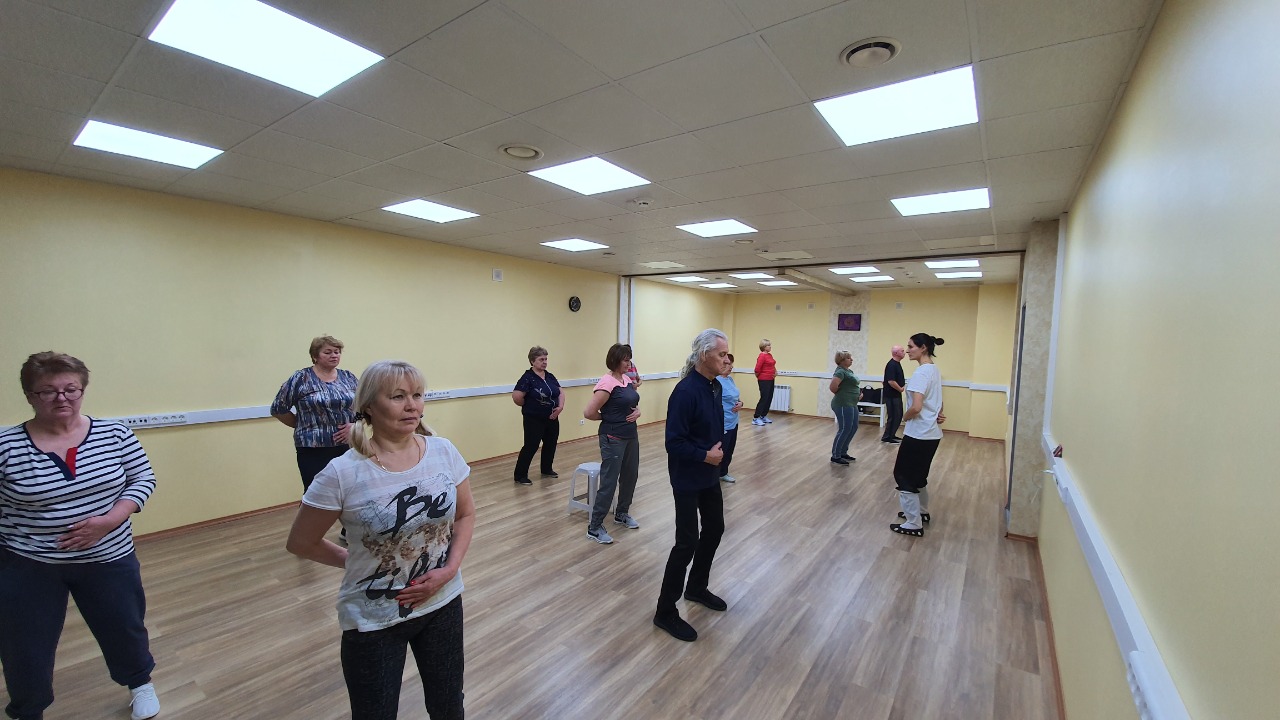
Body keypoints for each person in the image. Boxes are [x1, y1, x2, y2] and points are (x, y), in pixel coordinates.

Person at [286, 360, 475, 720]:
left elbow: (465, 515)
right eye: (398, 396)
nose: (412, 405)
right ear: (369, 405)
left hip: (442, 602)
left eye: (417, 395)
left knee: (449, 705)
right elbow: (301, 542)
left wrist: (450, 569)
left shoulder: (443, 451)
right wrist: (358, 562)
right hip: (374, 618)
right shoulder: (342, 473)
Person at [0, 352, 160, 720]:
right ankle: (28, 710)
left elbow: (143, 478)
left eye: (71, 389)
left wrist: (109, 521)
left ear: (82, 390)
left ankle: (139, 683)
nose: (62, 398)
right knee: (25, 644)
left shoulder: (114, 433)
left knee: (123, 626)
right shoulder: (6, 445)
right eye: (48, 391)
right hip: (29, 563)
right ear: (29, 396)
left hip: (109, 557)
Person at [654, 329, 730, 642]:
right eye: (721, 354)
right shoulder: (685, 392)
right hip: (687, 477)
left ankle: (696, 587)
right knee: (686, 542)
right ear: (704, 355)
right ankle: (664, 611)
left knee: (715, 529)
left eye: (726, 354)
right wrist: (705, 455)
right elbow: (673, 443)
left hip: (708, 475)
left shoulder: (715, 387)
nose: (726, 360)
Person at [271, 335, 358, 490]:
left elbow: (365, 406)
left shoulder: (348, 377)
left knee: (348, 491)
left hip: (346, 446)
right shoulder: (301, 378)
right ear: (315, 356)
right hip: (312, 447)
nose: (334, 355)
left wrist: (355, 425)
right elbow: (278, 409)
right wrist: (302, 424)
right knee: (317, 492)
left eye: (337, 352)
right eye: (328, 352)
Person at [582, 344, 642, 544]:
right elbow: (589, 412)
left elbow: (630, 403)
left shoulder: (626, 380)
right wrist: (608, 417)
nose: (629, 363)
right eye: (625, 360)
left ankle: (621, 513)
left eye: (629, 359)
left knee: (630, 476)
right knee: (609, 481)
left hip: (631, 435)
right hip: (613, 437)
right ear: (615, 360)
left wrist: (638, 412)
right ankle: (594, 527)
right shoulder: (607, 382)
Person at [890, 334, 947, 538]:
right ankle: (920, 512)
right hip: (931, 434)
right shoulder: (934, 369)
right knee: (919, 476)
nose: (907, 350)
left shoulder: (921, 373)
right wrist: (937, 414)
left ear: (923, 348)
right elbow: (938, 401)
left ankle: (913, 523)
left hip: (918, 434)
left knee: (903, 475)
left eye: (911, 346)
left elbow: (916, 407)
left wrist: (904, 418)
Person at [510, 346, 564, 485]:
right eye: (541, 359)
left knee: (551, 443)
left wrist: (560, 407)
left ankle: (546, 469)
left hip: (552, 417)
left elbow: (560, 392)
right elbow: (517, 396)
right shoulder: (528, 378)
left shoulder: (550, 376)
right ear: (532, 361)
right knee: (531, 445)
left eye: (546, 359)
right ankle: (520, 475)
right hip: (534, 419)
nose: (544, 362)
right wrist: (530, 406)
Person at [829, 351, 860, 466]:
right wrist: (845, 394)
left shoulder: (849, 371)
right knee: (844, 428)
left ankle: (843, 452)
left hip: (852, 403)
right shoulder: (840, 371)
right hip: (843, 403)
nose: (851, 360)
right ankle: (836, 455)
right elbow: (833, 387)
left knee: (853, 427)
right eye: (848, 358)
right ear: (841, 360)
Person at [717, 353, 743, 483]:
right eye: (728, 364)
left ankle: (723, 472)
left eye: (731, 364)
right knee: (722, 450)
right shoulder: (716, 381)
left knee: (729, 450)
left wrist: (741, 403)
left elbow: (736, 397)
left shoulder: (730, 379)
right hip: (724, 422)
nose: (731, 366)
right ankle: (714, 475)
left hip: (734, 420)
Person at [882, 345, 906, 443]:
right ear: (896, 353)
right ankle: (888, 437)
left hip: (895, 394)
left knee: (897, 415)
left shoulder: (896, 364)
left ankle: (891, 435)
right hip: (891, 395)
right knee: (894, 416)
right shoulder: (892, 365)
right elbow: (891, 381)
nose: (904, 352)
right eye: (902, 351)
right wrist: (900, 389)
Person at [752, 339, 776, 426]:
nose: (770, 347)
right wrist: (759, 377)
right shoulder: (762, 356)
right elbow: (757, 369)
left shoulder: (769, 355)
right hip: (764, 380)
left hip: (771, 379)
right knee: (764, 398)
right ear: (764, 347)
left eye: (770, 345)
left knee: (769, 397)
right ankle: (756, 418)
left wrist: (775, 371)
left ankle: (763, 416)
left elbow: (772, 365)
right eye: (768, 345)